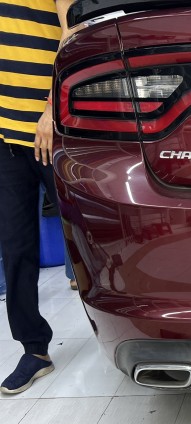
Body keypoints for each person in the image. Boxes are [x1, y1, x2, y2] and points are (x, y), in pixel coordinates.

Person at [0, 1, 74, 394]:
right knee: (16, 247)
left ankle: (131, 331)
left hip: (52, 131)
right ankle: (34, 349)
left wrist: (51, 108)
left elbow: (72, 35)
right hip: (6, 139)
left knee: (92, 240)